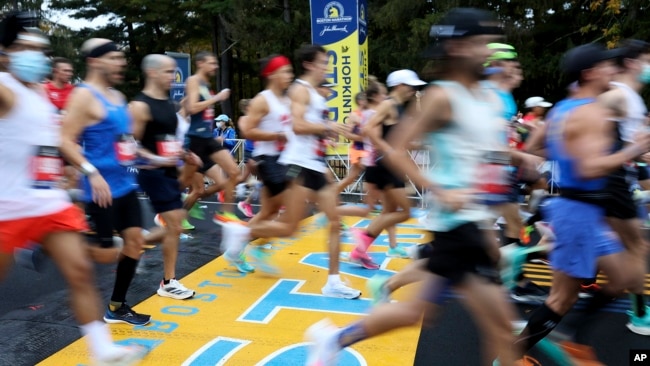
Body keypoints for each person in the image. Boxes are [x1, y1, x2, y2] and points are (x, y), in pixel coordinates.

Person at [305, 8, 520, 365]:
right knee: (501, 328)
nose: (489, 52)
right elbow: (398, 149)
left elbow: (485, 153)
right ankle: (333, 338)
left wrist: (514, 160)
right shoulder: (442, 96)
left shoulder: (484, 96)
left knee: (420, 312)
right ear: (458, 47)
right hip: (456, 223)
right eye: (482, 43)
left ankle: (334, 339)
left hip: (474, 220)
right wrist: (439, 188)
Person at [0, 14, 147, 364]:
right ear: (6, 53)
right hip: (6, 206)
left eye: (40, 50)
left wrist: (72, 170)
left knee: (81, 270)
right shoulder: (4, 86)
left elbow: (50, 141)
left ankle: (103, 351)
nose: (36, 56)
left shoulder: (39, 92)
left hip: (47, 200)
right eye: (25, 49)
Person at [511, 43, 650, 362]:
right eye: (606, 66)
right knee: (561, 298)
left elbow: (534, 146)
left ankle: (570, 336)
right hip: (578, 210)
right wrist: (633, 149)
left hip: (587, 210)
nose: (613, 70)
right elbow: (589, 167)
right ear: (589, 73)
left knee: (623, 279)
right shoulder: (590, 112)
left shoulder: (564, 108)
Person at [223, 47, 362, 299]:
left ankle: (332, 281)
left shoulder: (307, 94)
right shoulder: (298, 91)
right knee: (289, 227)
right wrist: (324, 127)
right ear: (309, 64)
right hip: (295, 165)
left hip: (312, 164)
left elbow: (306, 126)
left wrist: (340, 132)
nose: (327, 68)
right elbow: (296, 126)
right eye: (323, 63)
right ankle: (243, 233)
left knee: (331, 221)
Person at [60, 38, 150, 326]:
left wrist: (146, 157)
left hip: (125, 185)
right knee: (106, 254)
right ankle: (50, 243)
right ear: (94, 61)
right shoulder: (84, 96)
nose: (121, 62)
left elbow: (124, 141)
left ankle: (116, 307)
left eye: (121, 58)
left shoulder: (118, 97)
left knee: (135, 243)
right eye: (114, 57)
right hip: (100, 188)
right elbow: (63, 140)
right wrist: (91, 172)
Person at [130, 53, 200, 300]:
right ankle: (168, 281)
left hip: (170, 170)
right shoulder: (140, 106)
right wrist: (158, 159)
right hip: (152, 173)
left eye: (174, 72)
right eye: (169, 72)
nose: (174, 77)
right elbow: (129, 145)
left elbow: (167, 140)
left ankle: (135, 246)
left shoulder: (169, 105)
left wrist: (184, 153)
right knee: (173, 223)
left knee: (175, 224)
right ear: (152, 72)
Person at [348, 69, 426, 268]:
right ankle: (362, 237)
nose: (413, 91)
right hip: (385, 164)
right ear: (399, 86)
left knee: (389, 211)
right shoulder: (388, 105)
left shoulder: (399, 107)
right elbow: (368, 129)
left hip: (388, 163)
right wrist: (388, 151)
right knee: (406, 211)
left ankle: (360, 249)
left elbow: (396, 138)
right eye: (411, 86)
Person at [182, 51, 240, 221]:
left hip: (208, 138)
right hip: (195, 139)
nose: (215, 66)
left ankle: (226, 215)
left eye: (216, 63)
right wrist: (217, 99)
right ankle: (172, 215)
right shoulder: (194, 81)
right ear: (200, 63)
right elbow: (192, 108)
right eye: (211, 63)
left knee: (233, 173)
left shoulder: (206, 84)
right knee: (189, 186)